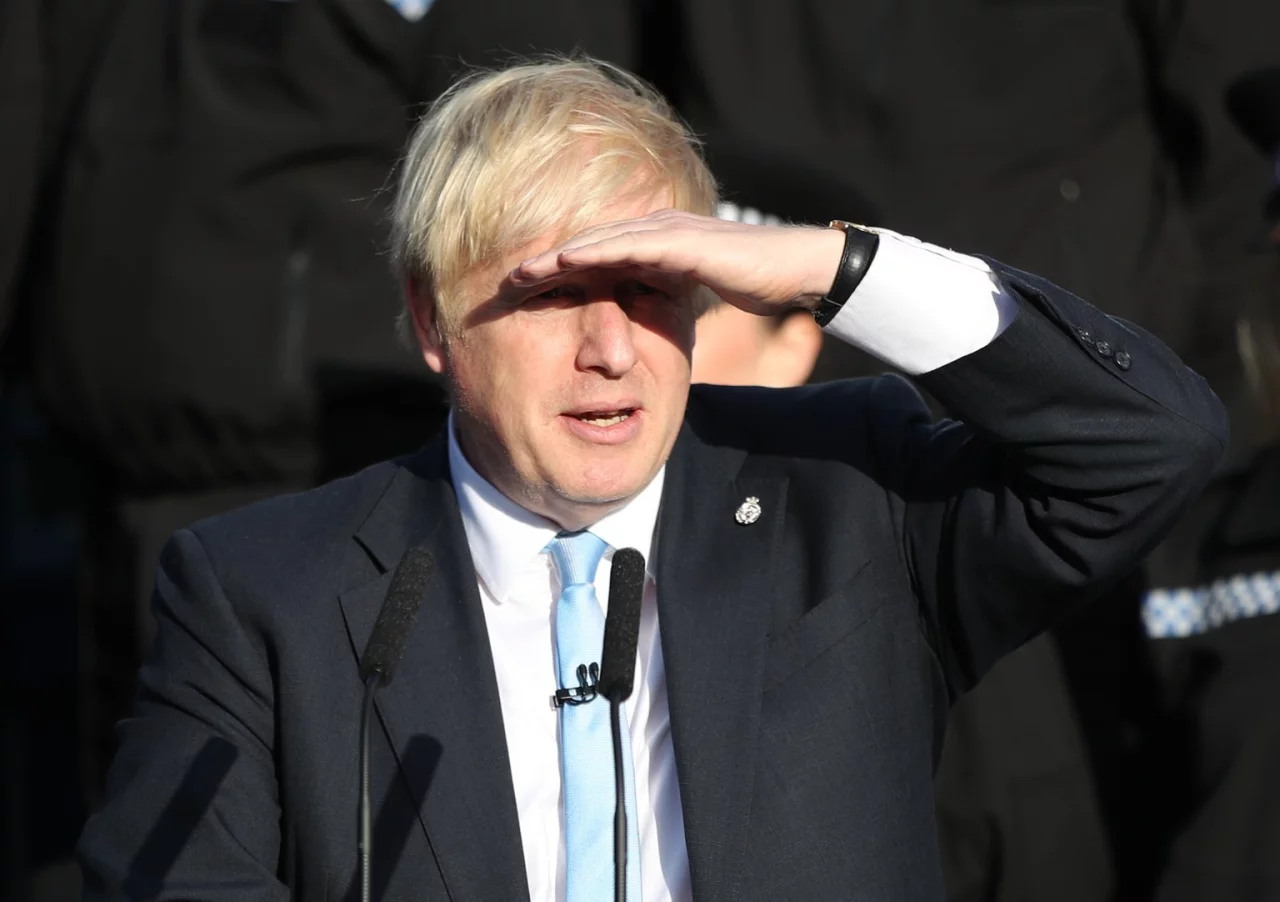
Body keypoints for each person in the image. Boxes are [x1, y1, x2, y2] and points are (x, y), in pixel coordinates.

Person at [78, 57, 1226, 901]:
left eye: (650, 286)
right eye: (549, 295)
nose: (611, 349)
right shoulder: (260, 591)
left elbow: (1149, 442)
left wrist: (832, 265)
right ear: (431, 322)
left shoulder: (848, 498)